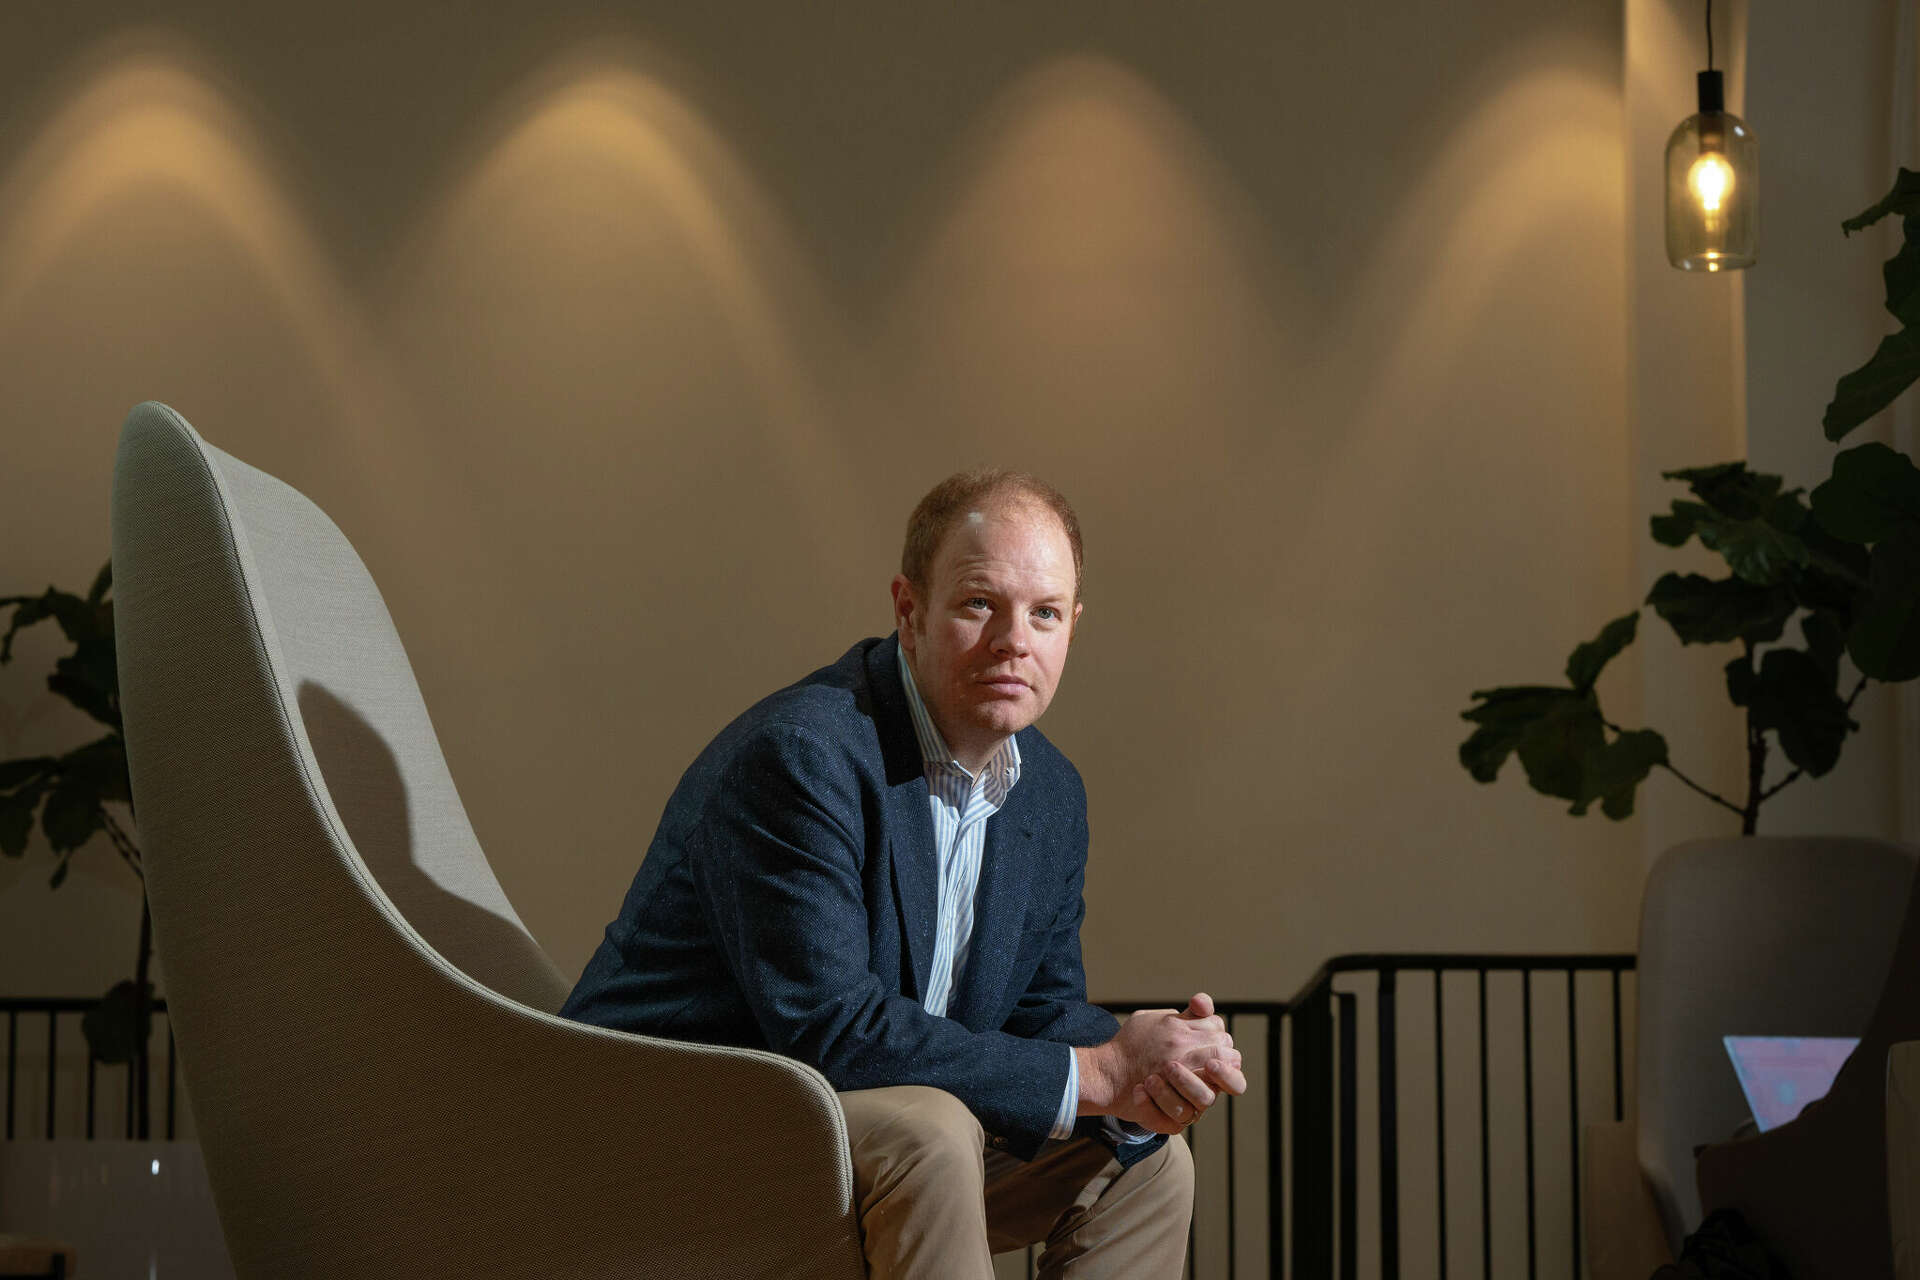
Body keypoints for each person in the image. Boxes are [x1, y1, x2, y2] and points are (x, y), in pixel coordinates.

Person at [562, 469, 1246, 1277]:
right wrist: (1098, 1071)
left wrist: (1151, 1063)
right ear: (909, 610)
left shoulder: (1050, 793)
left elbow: (1034, 1012)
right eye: (978, 603)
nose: (1013, 640)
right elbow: (831, 1034)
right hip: (667, 1131)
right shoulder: (803, 756)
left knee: (1147, 1166)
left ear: (1072, 628)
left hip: (851, 1134)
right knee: (931, 1128)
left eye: (1045, 613)